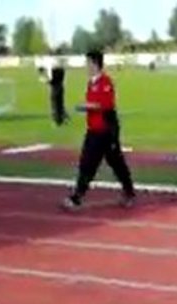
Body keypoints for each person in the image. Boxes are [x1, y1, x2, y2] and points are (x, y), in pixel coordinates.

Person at [62, 49, 136, 211]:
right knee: (87, 163)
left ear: (95, 64)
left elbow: (105, 105)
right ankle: (77, 197)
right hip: (94, 130)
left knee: (116, 163)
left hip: (106, 131)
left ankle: (129, 192)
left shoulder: (105, 82)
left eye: (88, 63)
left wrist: (83, 106)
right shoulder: (92, 83)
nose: (86, 66)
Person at [49, 59, 68, 126]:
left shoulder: (54, 71)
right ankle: (64, 118)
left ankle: (57, 121)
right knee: (60, 104)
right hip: (61, 88)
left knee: (55, 105)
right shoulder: (62, 70)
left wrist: (46, 81)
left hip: (55, 89)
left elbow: (53, 81)